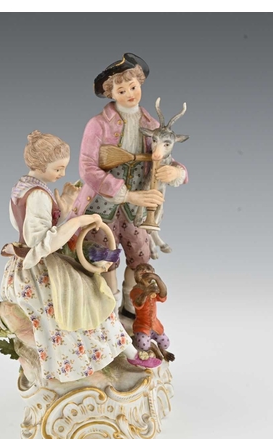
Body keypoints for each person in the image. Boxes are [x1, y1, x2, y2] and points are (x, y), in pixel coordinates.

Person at [0, 131, 158, 383]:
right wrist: (78, 221)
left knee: (92, 294)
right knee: (93, 297)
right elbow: (40, 243)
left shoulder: (22, 187)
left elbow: (35, 229)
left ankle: (125, 351)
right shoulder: (38, 195)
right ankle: (124, 354)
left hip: (24, 266)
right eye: (58, 169)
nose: (62, 174)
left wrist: (64, 207)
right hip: (38, 270)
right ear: (39, 165)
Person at [75, 53, 188, 319]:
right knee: (105, 258)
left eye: (133, 87)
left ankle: (130, 307)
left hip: (137, 210)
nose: (130, 94)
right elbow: (87, 168)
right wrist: (126, 194)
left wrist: (177, 172)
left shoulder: (151, 125)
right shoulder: (98, 125)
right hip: (102, 206)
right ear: (111, 93)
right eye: (121, 90)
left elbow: (166, 156)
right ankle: (108, 313)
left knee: (140, 254)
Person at [129, 263, 169, 365]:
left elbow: (163, 294)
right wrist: (146, 292)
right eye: (140, 269)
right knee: (143, 345)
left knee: (166, 343)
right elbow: (138, 303)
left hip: (155, 325)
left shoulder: (153, 288)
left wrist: (157, 279)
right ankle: (154, 348)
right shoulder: (135, 290)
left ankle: (162, 350)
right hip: (142, 326)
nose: (144, 270)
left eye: (148, 269)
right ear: (135, 275)